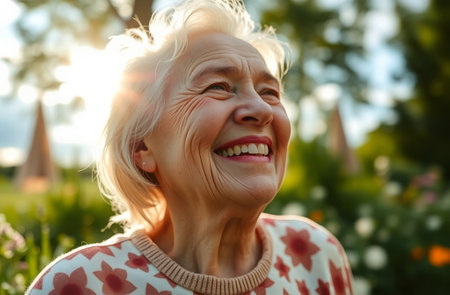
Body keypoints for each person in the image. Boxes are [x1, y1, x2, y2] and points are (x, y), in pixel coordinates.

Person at [26, 0, 353, 294]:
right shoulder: (82, 285)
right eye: (218, 86)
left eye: (269, 92)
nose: (263, 109)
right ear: (143, 148)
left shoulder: (313, 255)